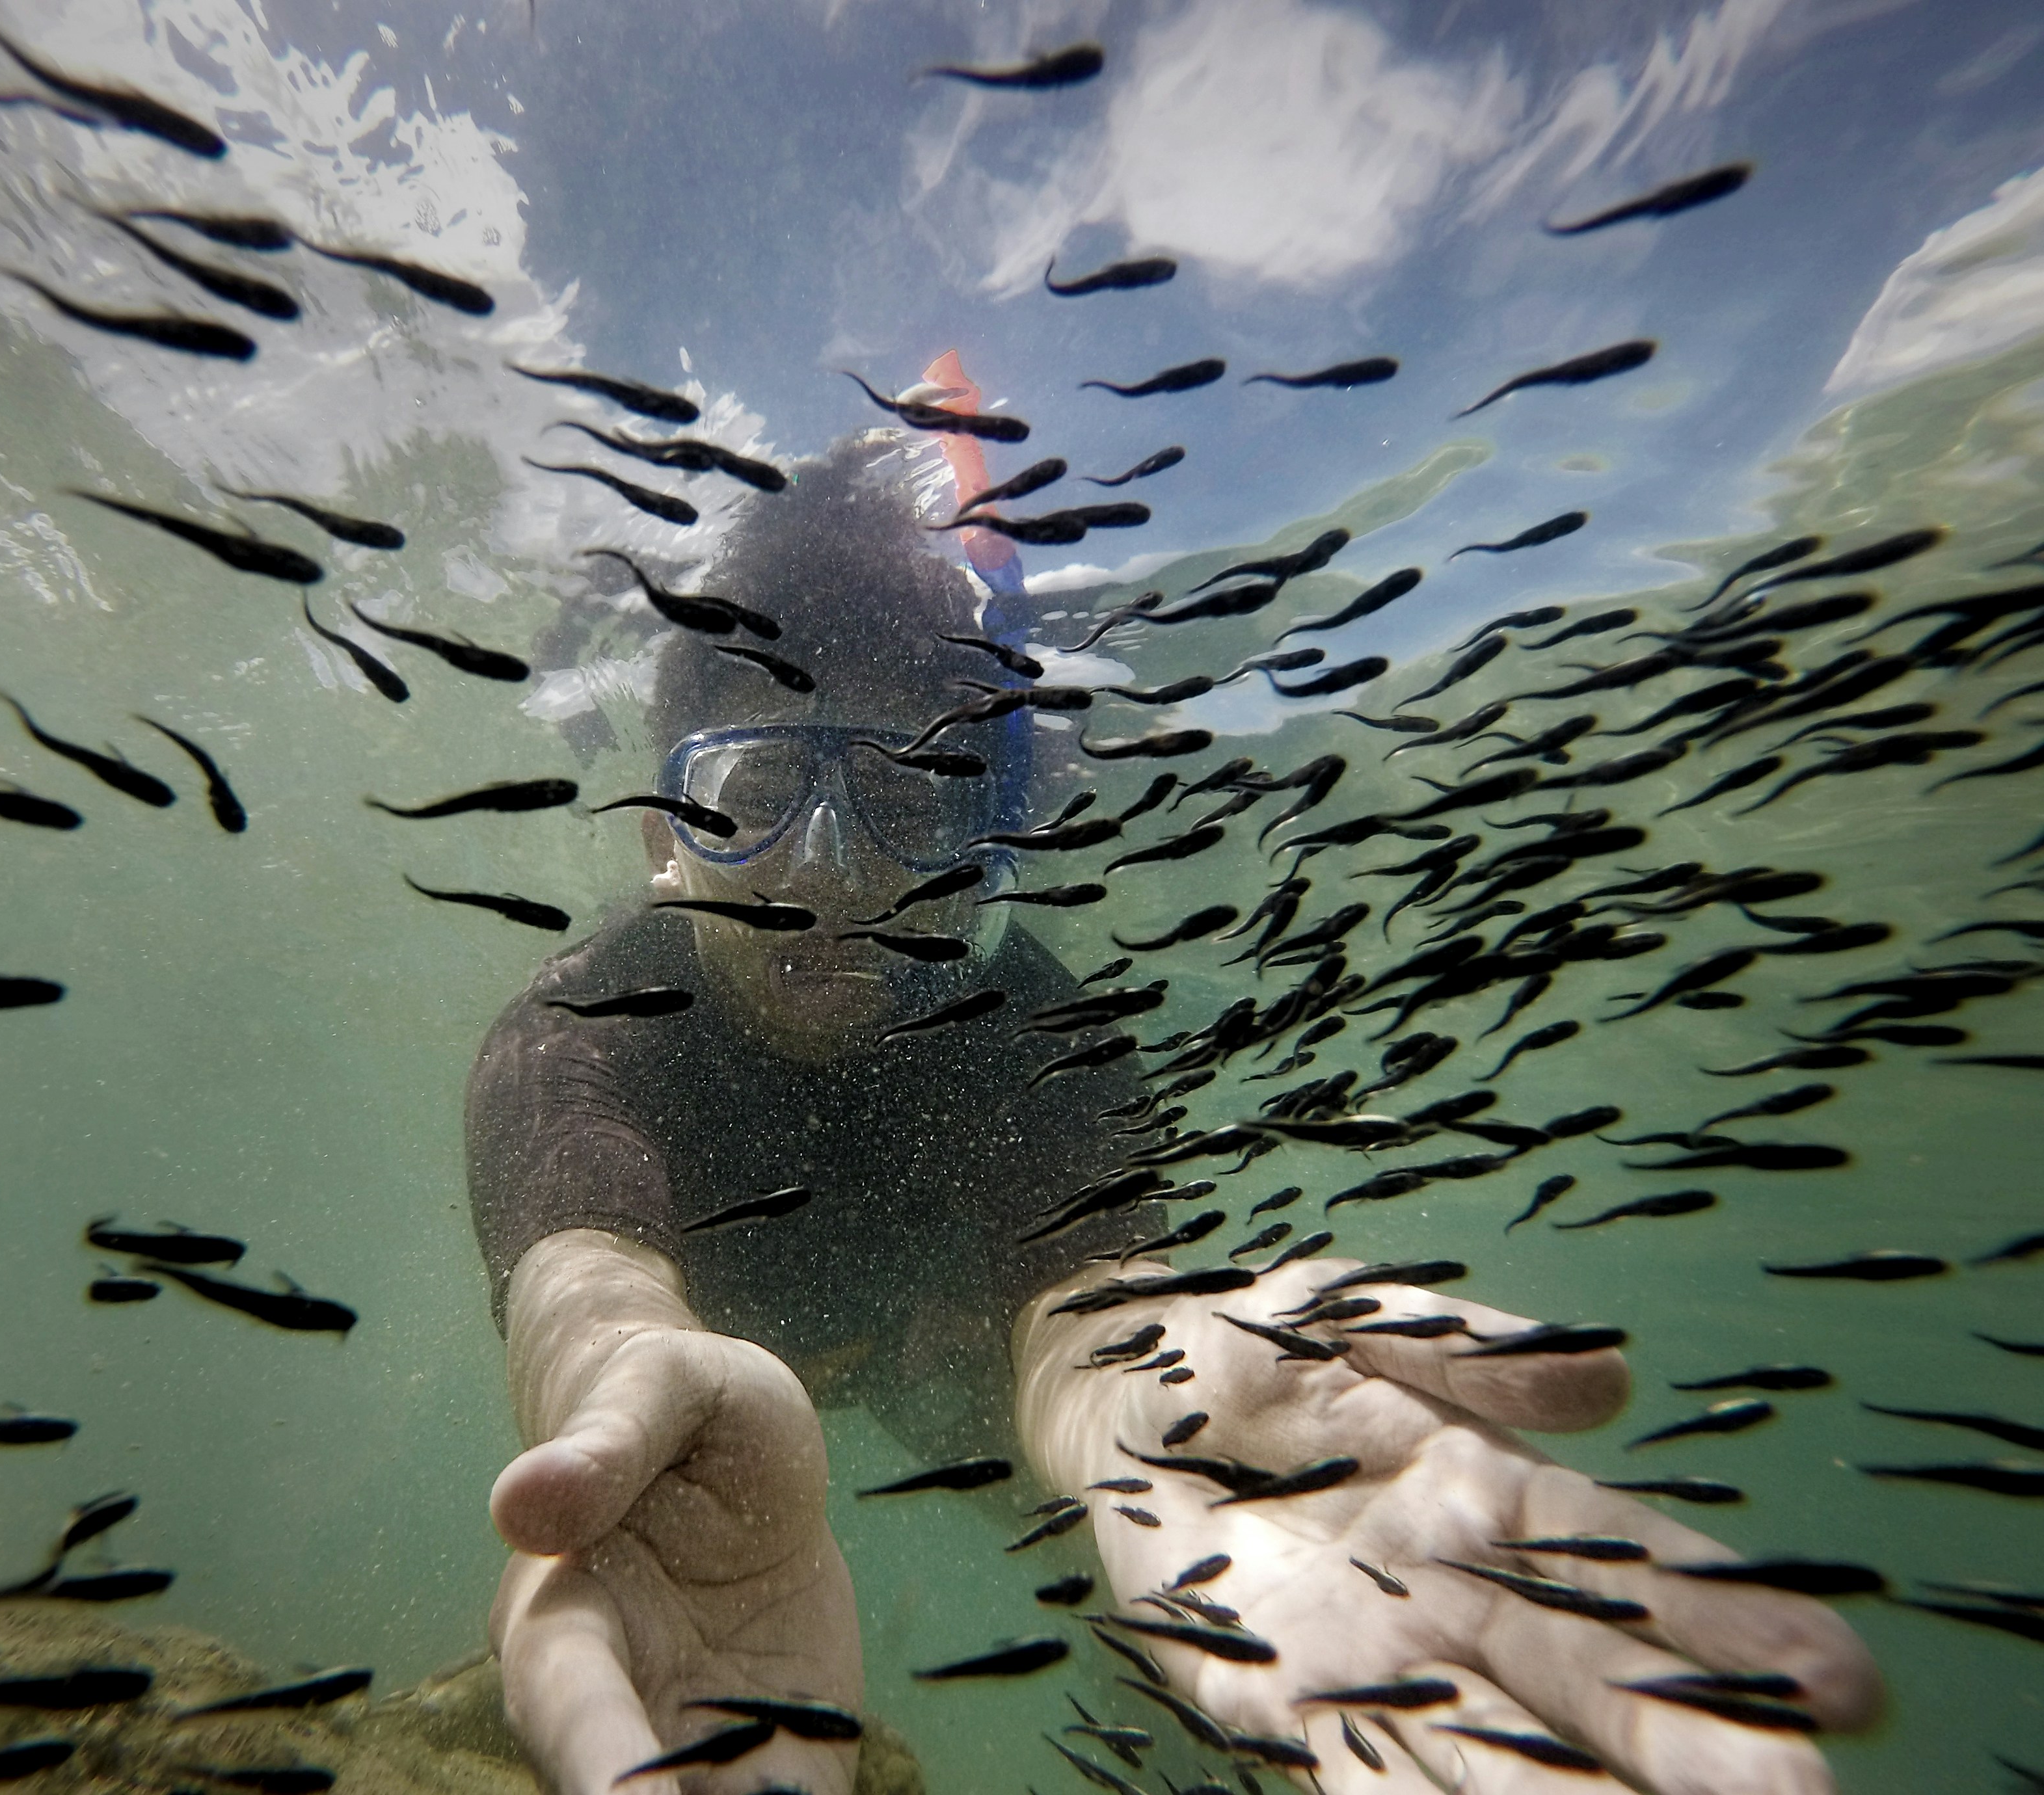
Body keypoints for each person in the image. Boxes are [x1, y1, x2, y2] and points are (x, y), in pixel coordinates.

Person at [465, 416, 1882, 1795]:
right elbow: (586, 1277)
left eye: (906, 799)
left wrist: (1143, 1389)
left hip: (952, 1328)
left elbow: (1097, 1321)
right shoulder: (580, 1030)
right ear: (663, 838)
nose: (829, 870)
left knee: (1123, 1534)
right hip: (730, 1396)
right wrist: (600, 1382)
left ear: (979, 836)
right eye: (758, 793)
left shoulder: (1035, 1032)